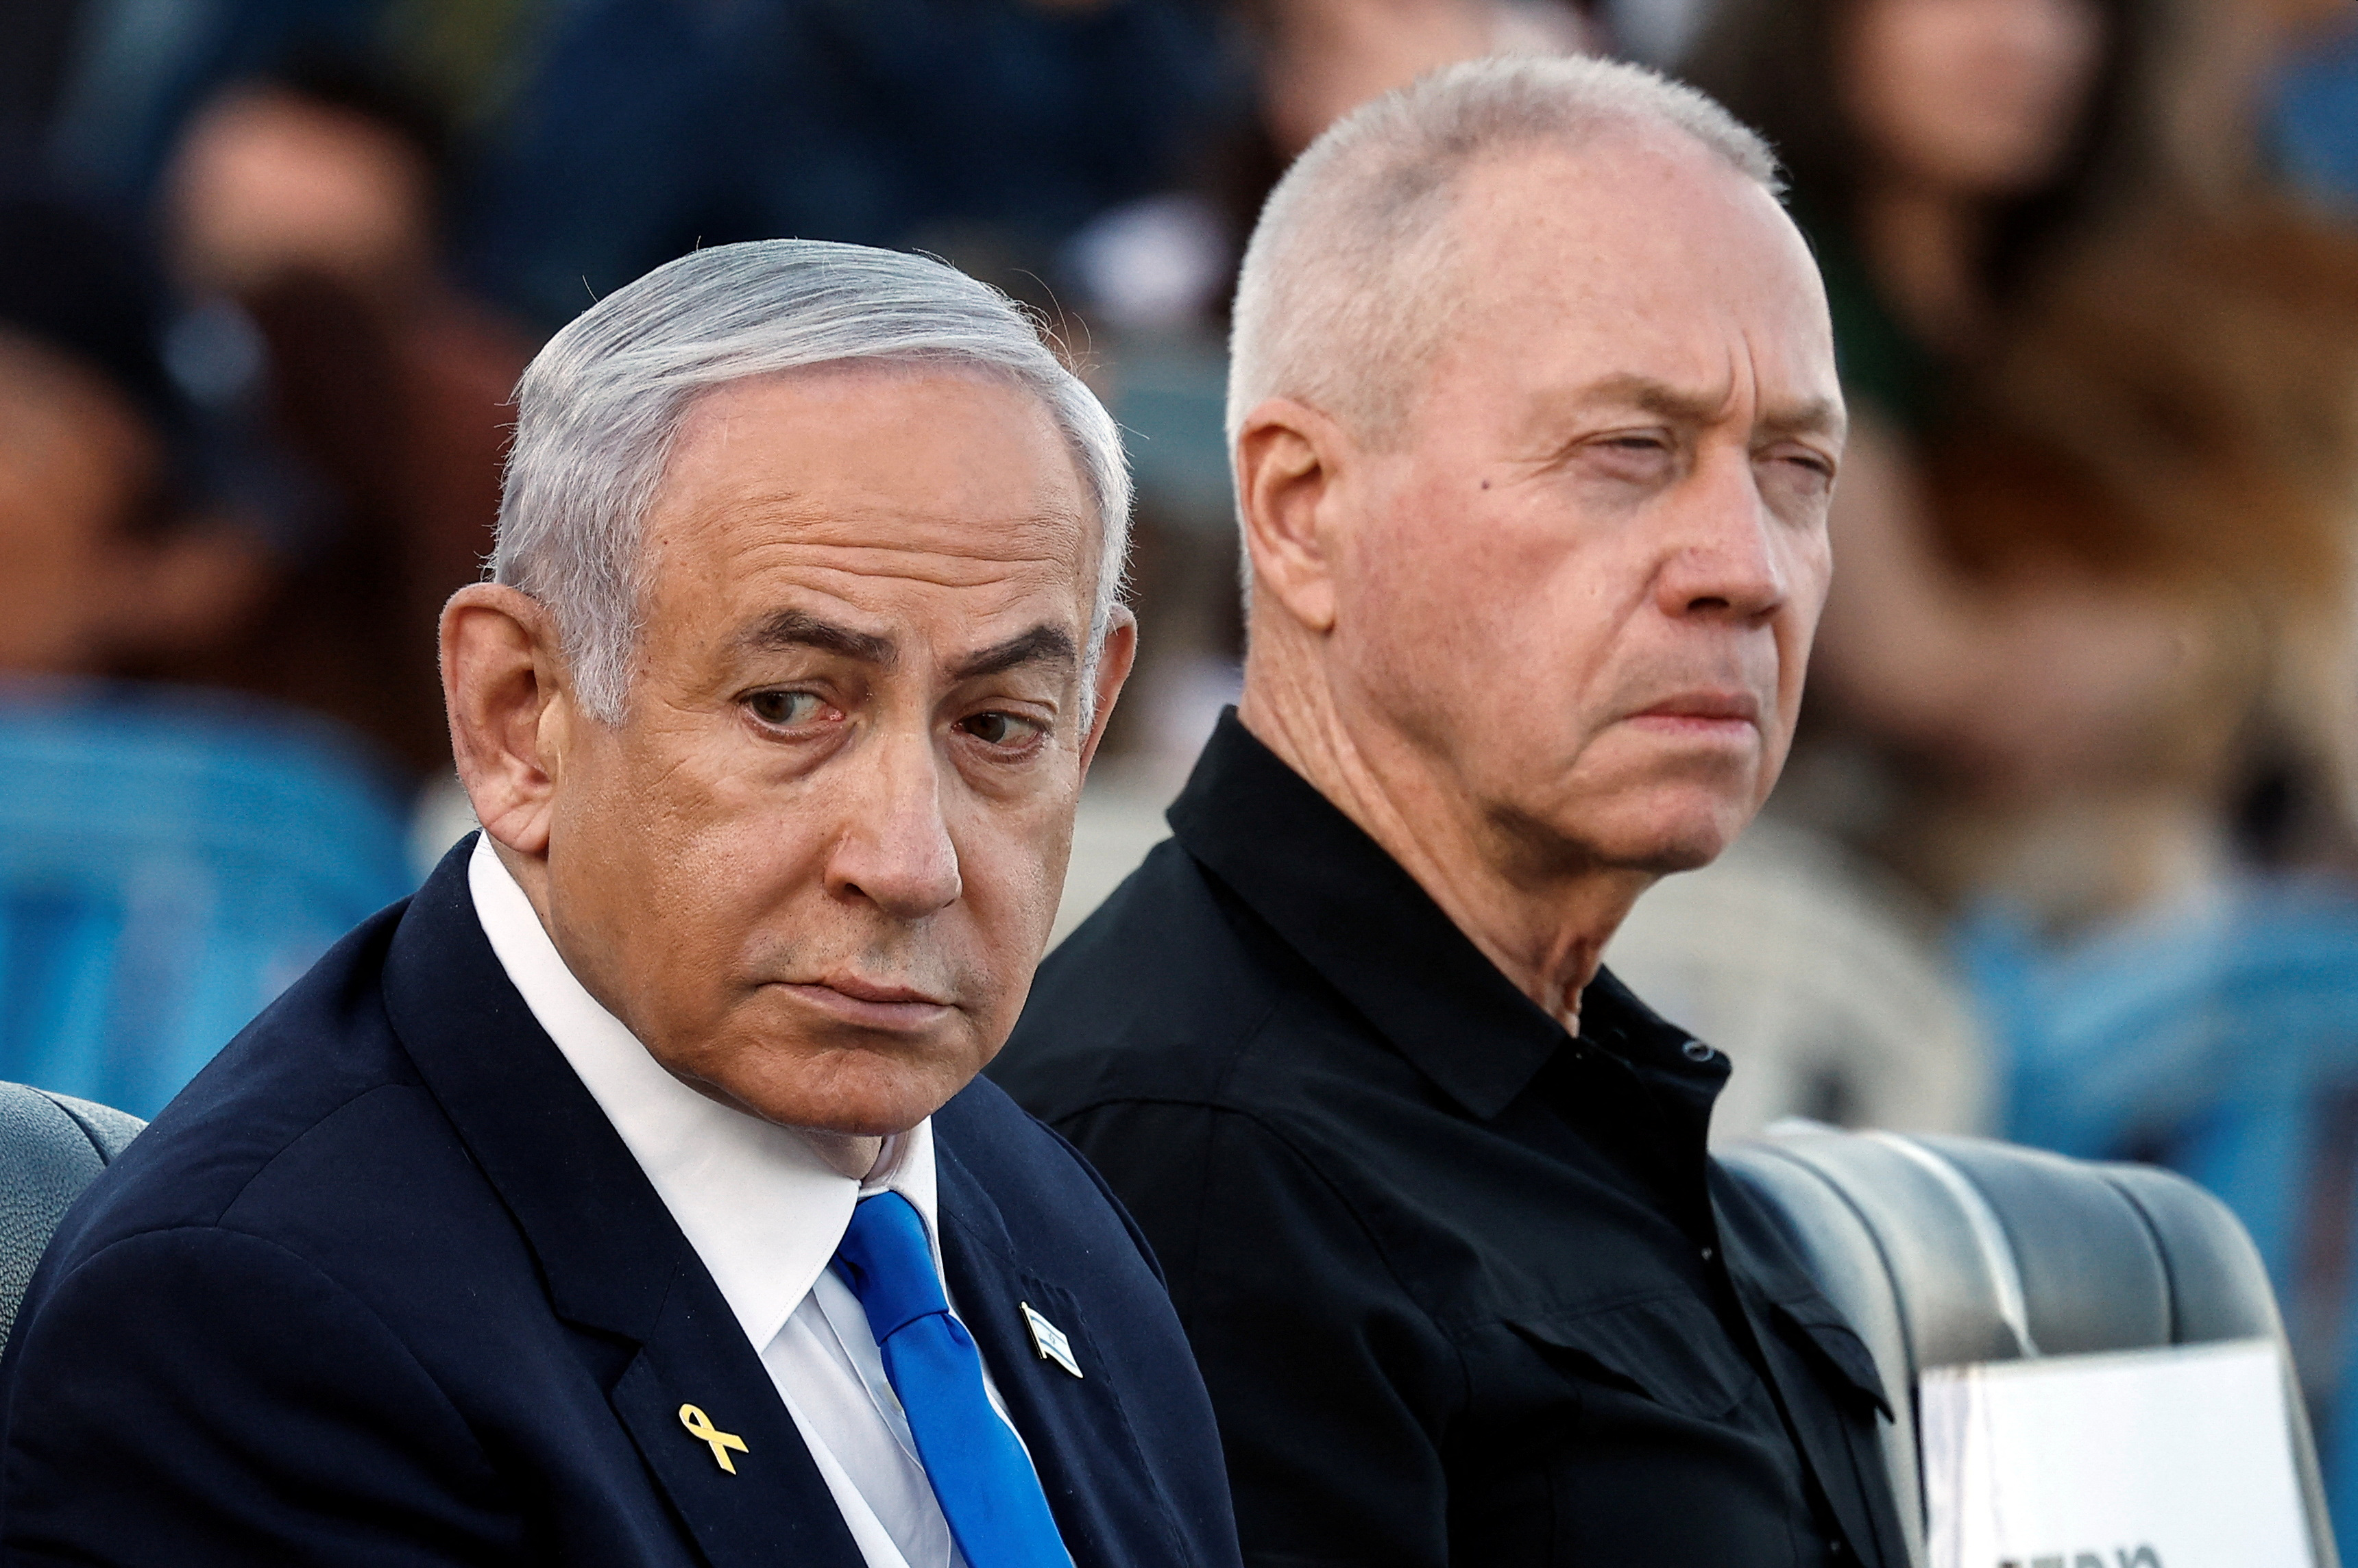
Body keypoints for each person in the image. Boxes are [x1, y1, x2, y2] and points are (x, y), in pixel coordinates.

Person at [0, 239, 1241, 1568]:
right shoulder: (254, 1330)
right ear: (517, 715)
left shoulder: (1038, 1204)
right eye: (788, 706)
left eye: (999, 723)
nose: (910, 856)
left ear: (1094, 713)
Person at [994, 56, 1904, 1568]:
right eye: (1630, 450)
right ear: (1299, 510)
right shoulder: (1203, 1172)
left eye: (1797, 468)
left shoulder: (1564, 1094)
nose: (1744, 565)